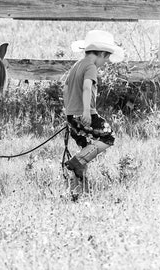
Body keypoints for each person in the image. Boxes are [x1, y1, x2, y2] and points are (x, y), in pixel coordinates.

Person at [63, 30, 124, 198]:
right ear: (102, 53)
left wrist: (69, 113)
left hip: (71, 114)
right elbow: (87, 87)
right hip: (84, 112)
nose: (105, 62)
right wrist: (85, 111)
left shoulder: (77, 65)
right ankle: (76, 162)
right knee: (108, 137)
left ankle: (78, 190)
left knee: (86, 147)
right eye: (106, 58)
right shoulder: (91, 66)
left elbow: (66, 88)